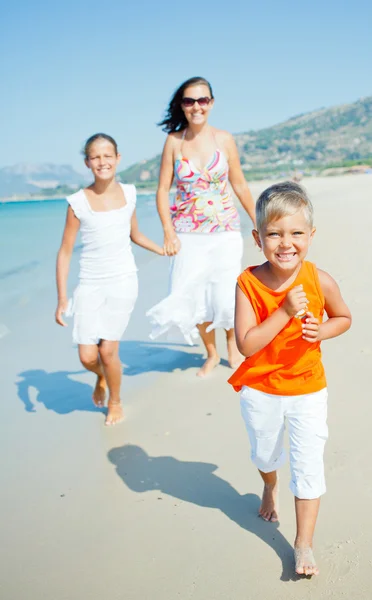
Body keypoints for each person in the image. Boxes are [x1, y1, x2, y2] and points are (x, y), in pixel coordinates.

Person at [228, 182, 352, 576]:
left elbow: (343, 317)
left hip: (307, 388)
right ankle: (269, 484)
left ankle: (303, 543)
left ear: (310, 236)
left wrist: (323, 331)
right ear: (257, 238)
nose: (286, 243)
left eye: (297, 233)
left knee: (308, 463)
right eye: (275, 234)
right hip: (261, 388)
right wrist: (283, 311)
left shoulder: (320, 280)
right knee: (265, 454)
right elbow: (247, 345)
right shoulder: (248, 284)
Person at [147, 76, 256, 377]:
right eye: (189, 101)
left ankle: (233, 350)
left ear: (212, 103)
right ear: (182, 106)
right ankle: (211, 354)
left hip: (225, 231)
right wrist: (168, 231)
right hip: (187, 234)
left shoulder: (224, 139)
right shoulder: (174, 141)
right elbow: (161, 190)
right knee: (192, 294)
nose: (196, 106)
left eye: (202, 100)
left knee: (224, 294)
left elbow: (239, 184)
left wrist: (259, 223)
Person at [55, 133, 164, 426]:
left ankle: (115, 401)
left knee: (108, 349)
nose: (102, 161)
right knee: (88, 356)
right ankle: (101, 376)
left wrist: (161, 248)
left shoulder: (129, 194)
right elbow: (65, 253)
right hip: (90, 284)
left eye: (107, 155)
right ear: (87, 162)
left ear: (118, 158)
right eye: (95, 156)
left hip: (123, 281)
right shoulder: (77, 203)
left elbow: (135, 234)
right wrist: (63, 298)